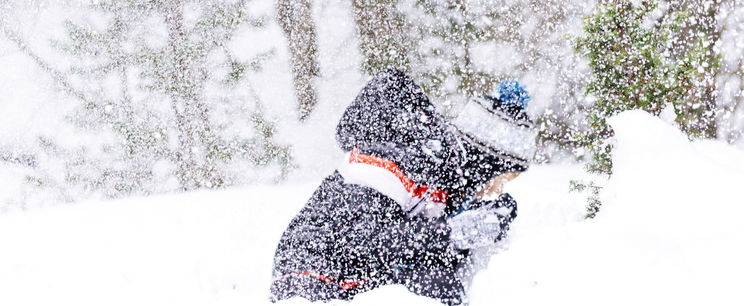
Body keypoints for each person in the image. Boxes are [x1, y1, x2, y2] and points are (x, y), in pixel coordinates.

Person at [269, 69, 536, 305]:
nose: (497, 191)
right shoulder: (401, 161)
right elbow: (369, 239)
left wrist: (499, 213)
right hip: (313, 275)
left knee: (439, 281)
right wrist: (452, 233)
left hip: (344, 271)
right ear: (486, 166)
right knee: (437, 287)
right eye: (502, 180)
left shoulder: (447, 179)